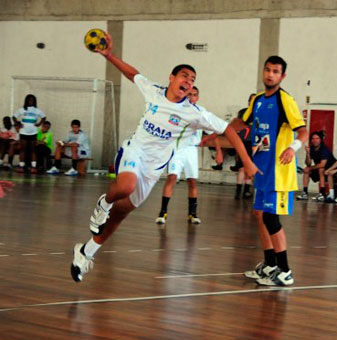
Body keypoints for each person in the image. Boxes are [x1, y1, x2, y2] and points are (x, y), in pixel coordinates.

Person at [70, 32, 258, 282]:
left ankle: (86, 252)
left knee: (121, 214)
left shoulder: (194, 113)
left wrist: (247, 162)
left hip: (154, 168)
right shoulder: (154, 92)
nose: (189, 82)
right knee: (126, 186)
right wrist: (109, 55)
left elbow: (228, 131)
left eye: (192, 80)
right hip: (134, 150)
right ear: (171, 78)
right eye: (185, 76)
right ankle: (102, 204)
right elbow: (131, 73)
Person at [239, 55, 308, 286]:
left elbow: (303, 131)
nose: (270, 74)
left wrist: (292, 148)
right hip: (261, 170)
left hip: (279, 172)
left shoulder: (285, 100)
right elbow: (243, 123)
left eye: (275, 71)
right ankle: (269, 264)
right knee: (260, 215)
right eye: (267, 70)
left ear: (282, 76)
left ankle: (285, 271)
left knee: (270, 217)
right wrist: (214, 130)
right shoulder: (257, 100)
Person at [156, 86, 203, 224]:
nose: (191, 97)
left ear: (197, 97)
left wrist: (213, 145)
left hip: (191, 150)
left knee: (192, 181)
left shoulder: (201, 113)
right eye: (189, 95)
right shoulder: (177, 110)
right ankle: (163, 212)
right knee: (172, 177)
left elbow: (215, 129)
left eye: (194, 95)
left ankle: (192, 214)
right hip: (177, 148)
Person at [296, 132, 337, 201]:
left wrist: (309, 167)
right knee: (307, 170)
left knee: (321, 169)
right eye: (313, 139)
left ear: (320, 140)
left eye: (317, 138)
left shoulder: (324, 149)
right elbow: (308, 163)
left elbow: (322, 164)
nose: (315, 140)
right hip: (320, 170)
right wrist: (308, 153)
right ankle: (305, 193)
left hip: (331, 170)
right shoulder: (311, 148)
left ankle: (322, 193)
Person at [231, 93, 257, 199]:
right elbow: (236, 125)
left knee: (247, 167)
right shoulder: (243, 113)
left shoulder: (259, 113)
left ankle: (245, 189)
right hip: (244, 142)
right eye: (251, 100)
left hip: (254, 142)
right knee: (242, 167)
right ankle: (240, 191)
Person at [13, 94, 45, 173]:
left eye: (32, 100)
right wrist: (18, 123)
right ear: (26, 101)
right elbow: (14, 117)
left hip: (33, 132)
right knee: (22, 149)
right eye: (29, 100)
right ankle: (21, 166)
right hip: (23, 132)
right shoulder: (22, 110)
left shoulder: (37, 110)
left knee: (33, 150)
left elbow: (44, 117)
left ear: (34, 101)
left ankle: (33, 167)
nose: (31, 101)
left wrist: (39, 124)